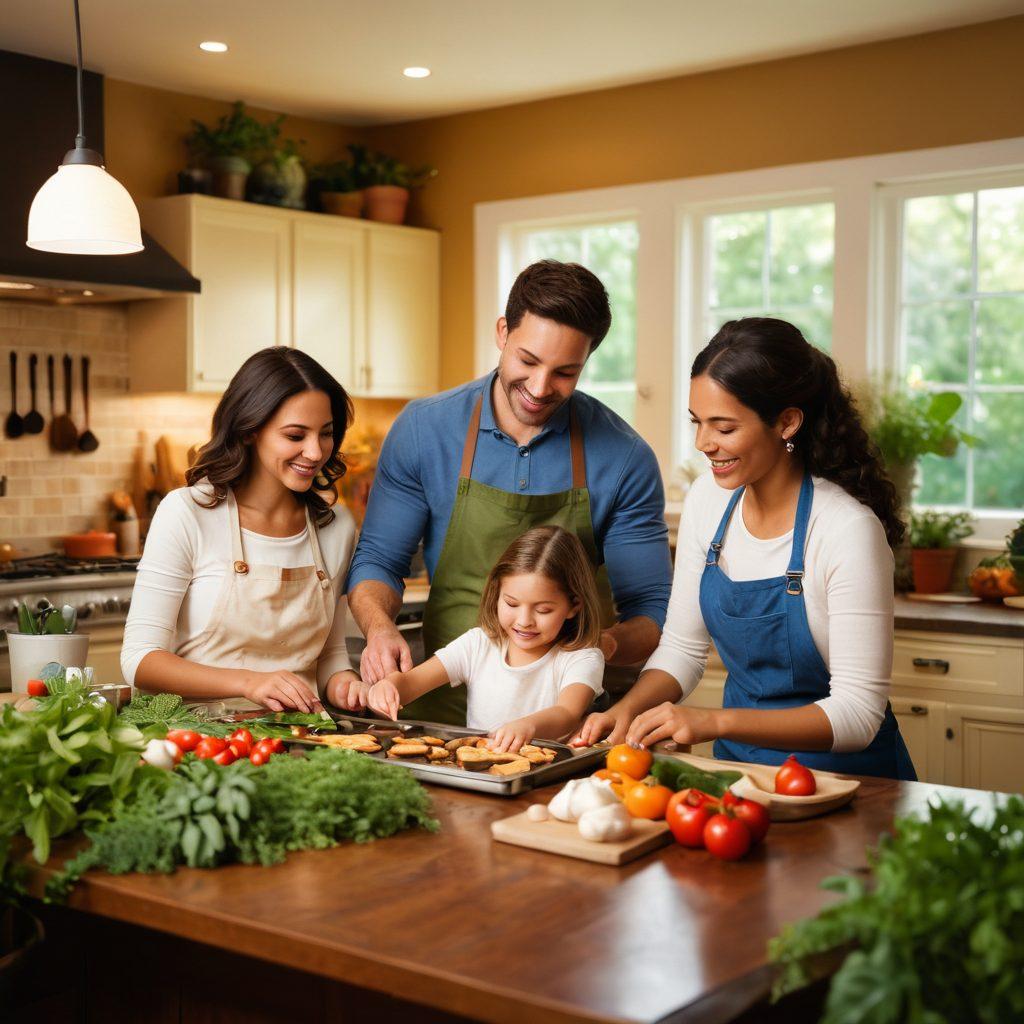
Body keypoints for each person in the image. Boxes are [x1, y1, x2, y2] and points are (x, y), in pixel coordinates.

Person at [574, 317, 916, 780]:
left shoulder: (845, 530)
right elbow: (682, 649)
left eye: (724, 427)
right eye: (698, 423)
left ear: (787, 422)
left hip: (851, 786)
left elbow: (857, 715)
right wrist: (627, 711)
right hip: (741, 780)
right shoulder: (708, 501)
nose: (703, 444)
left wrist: (713, 721)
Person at [343, 259, 672, 724]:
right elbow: (379, 557)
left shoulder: (623, 457)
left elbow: (652, 610)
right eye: (528, 360)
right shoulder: (425, 429)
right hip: (443, 709)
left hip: (575, 719)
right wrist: (378, 629)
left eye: (565, 373)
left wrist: (593, 649)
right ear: (502, 332)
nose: (540, 388)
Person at [121, 347, 362, 713]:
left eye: (325, 434)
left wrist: (347, 685)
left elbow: (329, 654)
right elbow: (139, 659)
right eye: (296, 436)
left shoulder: (336, 525)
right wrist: (249, 681)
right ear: (250, 431)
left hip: (301, 740)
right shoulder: (188, 513)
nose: (315, 452)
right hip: (197, 741)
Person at [365, 526, 605, 751]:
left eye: (543, 610)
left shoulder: (582, 657)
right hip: (479, 769)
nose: (524, 620)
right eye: (511, 603)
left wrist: (527, 726)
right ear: (497, 593)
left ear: (574, 605)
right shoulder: (479, 644)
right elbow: (410, 683)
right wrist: (390, 687)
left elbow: (567, 712)